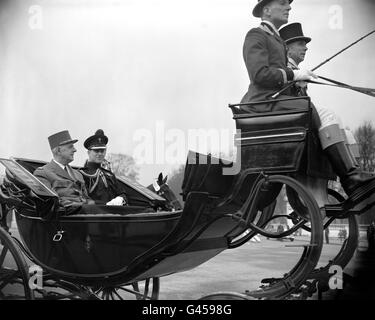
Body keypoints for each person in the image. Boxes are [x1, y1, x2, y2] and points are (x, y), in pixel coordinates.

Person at [240, 0, 375, 198]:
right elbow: (260, 75)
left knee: (328, 116)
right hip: (261, 103)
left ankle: (351, 174)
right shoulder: (256, 35)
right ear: (266, 10)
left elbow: (277, 76)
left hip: (273, 102)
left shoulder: (275, 38)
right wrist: (294, 76)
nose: (289, 7)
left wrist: (295, 81)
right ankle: (350, 177)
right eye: (283, 3)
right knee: (323, 113)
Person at [34, 130, 94, 209]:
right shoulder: (42, 173)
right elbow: (52, 203)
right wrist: (83, 206)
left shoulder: (78, 175)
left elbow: (88, 200)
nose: (75, 150)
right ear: (59, 150)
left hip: (85, 215)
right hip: (64, 218)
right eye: (70, 147)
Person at [80, 129, 128, 206]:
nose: (100, 154)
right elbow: (84, 200)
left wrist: (120, 199)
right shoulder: (82, 174)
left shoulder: (110, 175)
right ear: (88, 152)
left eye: (102, 151)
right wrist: (106, 204)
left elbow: (123, 194)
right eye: (96, 151)